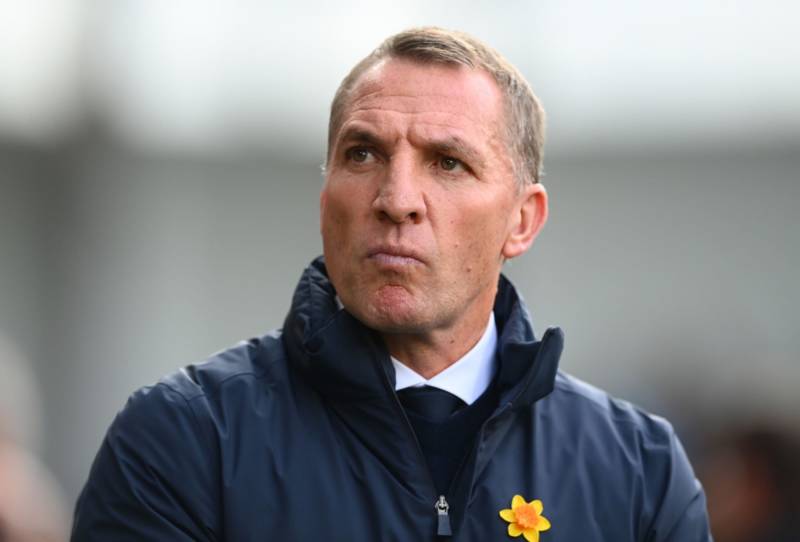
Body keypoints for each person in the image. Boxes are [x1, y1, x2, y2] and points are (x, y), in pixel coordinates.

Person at [72, 27, 712, 541]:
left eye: (448, 162)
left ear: (522, 221)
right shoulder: (185, 439)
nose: (397, 198)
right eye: (363, 154)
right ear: (325, 200)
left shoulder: (639, 471)